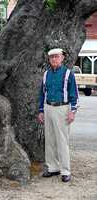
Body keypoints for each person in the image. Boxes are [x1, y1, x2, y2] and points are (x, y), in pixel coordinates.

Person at [38, 48, 79, 182]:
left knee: (62, 141)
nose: (54, 59)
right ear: (49, 59)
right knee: (49, 140)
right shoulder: (46, 74)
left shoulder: (68, 74)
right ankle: (52, 168)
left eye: (57, 57)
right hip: (48, 107)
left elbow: (74, 94)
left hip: (62, 108)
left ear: (62, 58)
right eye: (52, 57)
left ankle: (65, 171)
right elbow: (42, 94)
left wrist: (72, 111)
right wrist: (41, 110)